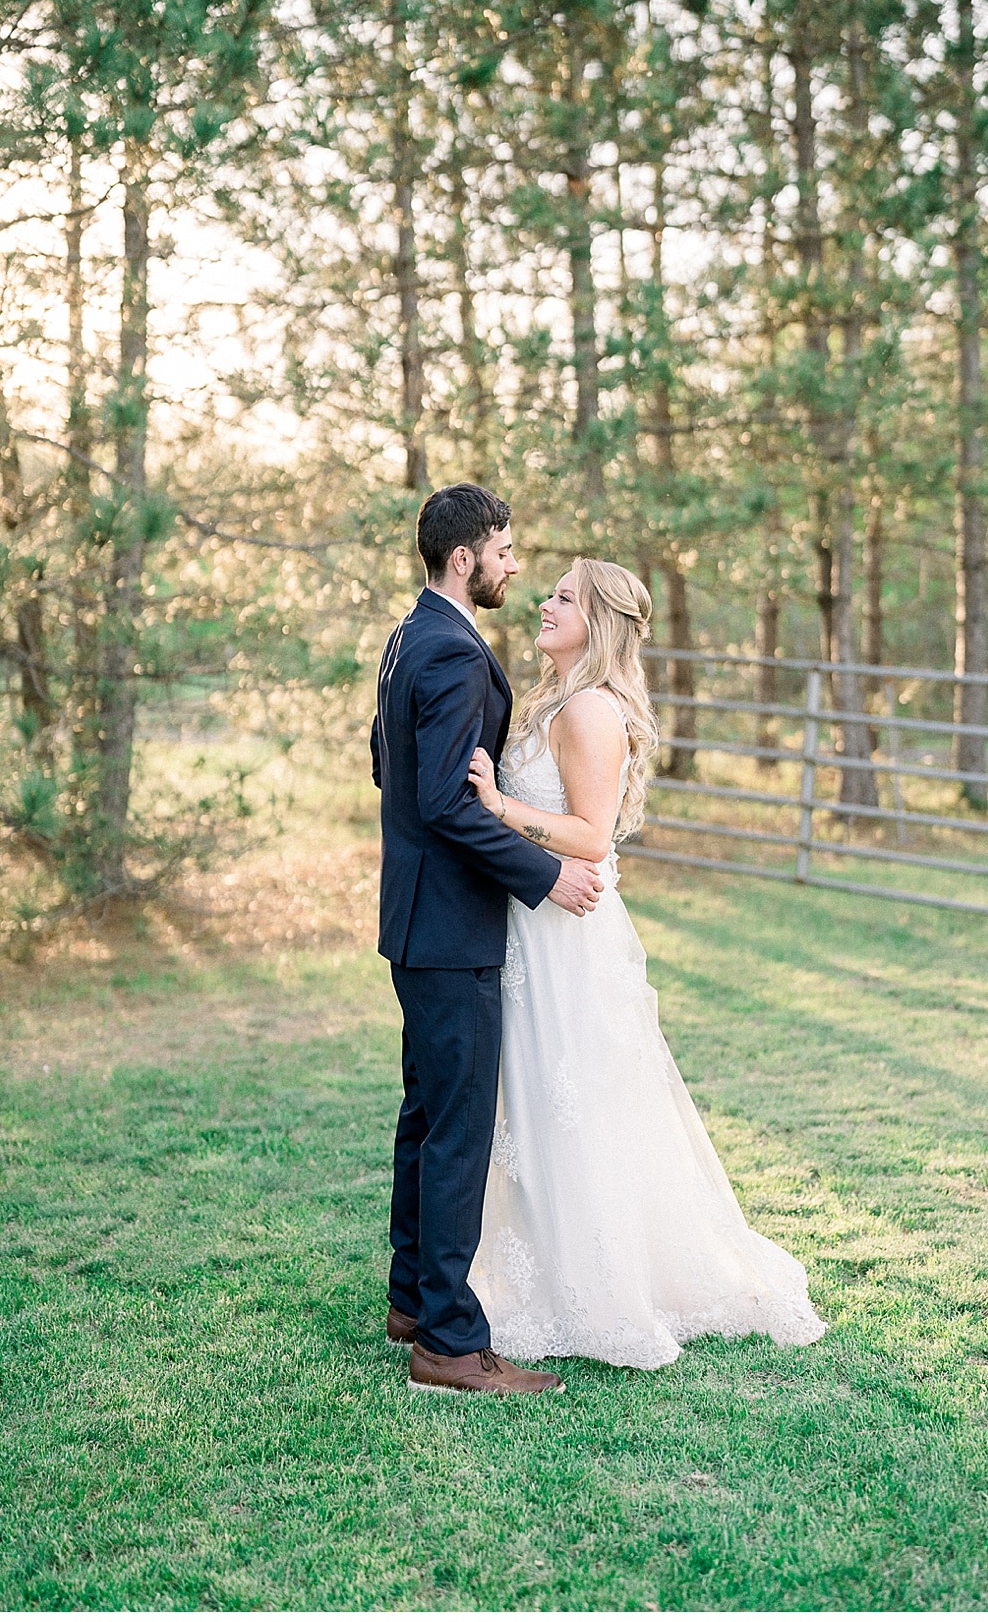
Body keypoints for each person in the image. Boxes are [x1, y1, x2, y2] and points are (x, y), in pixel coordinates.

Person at [466, 558, 826, 1368]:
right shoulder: (552, 701)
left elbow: (592, 836)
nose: (546, 603)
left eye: (564, 597)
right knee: (532, 1101)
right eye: (551, 591)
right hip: (534, 930)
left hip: (569, 938)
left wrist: (499, 805)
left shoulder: (591, 710)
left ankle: (602, 1281)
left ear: (599, 622)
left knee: (574, 1098)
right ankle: (540, 1266)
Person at [371, 484, 605, 1397]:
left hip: (412, 915)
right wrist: (545, 877)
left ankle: (410, 1299)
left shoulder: (407, 639)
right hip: (453, 924)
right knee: (460, 1127)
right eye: (504, 551)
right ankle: (450, 1343)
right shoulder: (457, 655)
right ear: (464, 558)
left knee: (428, 1116)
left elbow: (389, 767)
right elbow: (439, 801)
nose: (515, 567)